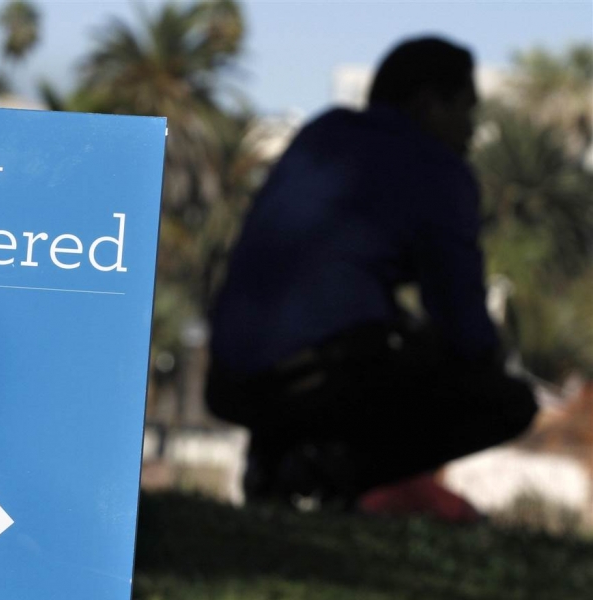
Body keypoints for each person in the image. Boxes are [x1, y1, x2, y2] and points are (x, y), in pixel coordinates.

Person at [206, 36, 538, 516]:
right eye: (466, 111)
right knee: (504, 400)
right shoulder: (436, 169)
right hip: (320, 380)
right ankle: (321, 474)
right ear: (429, 103)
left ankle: (281, 459)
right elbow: (463, 324)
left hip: (228, 377)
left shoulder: (323, 135)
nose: (471, 131)